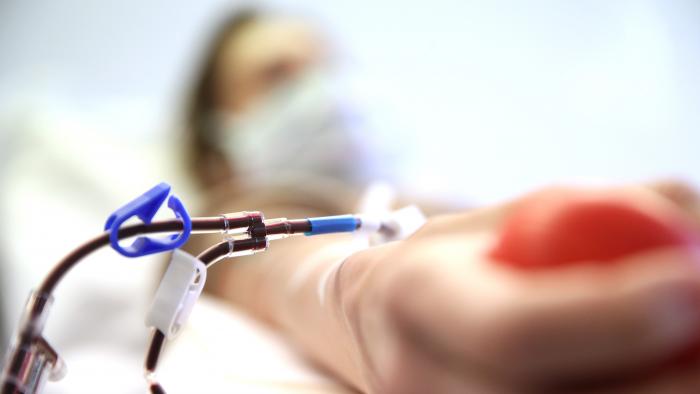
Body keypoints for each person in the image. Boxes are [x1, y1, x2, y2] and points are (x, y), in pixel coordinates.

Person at [181, 9, 700, 393]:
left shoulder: (431, 200)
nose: (324, 90)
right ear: (220, 143)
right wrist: (361, 299)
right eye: (279, 74)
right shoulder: (232, 212)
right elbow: (277, 270)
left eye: (331, 67)